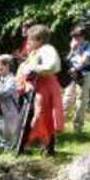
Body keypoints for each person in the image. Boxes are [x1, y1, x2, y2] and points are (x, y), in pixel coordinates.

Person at [16, 24, 64, 156]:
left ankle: (47, 149)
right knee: (33, 116)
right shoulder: (35, 51)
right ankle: (22, 147)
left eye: (31, 39)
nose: (29, 41)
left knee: (44, 117)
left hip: (46, 89)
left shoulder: (47, 49)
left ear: (40, 40)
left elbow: (53, 66)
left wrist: (33, 69)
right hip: (37, 89)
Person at [63, 25, 90, 132]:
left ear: (83, 36)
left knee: (81, 101)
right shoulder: (74, 48)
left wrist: (76, 52)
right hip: (72, 76)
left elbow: (84, 61)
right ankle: (59, 126)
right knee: (66, 99)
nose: (75, 39)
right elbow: (67, 60)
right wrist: (72, 51)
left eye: (77, 37)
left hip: (84, 75)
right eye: (73, 37)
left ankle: (78, 128)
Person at [0, 55, 20, 150]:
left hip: (10, 110)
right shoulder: (2, 79)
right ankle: (3, 145)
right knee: (0, 128)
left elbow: (7, 91)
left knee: (9, 130)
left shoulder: (12, 79)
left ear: (7, 66)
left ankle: (11, 147)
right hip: (2, 110)